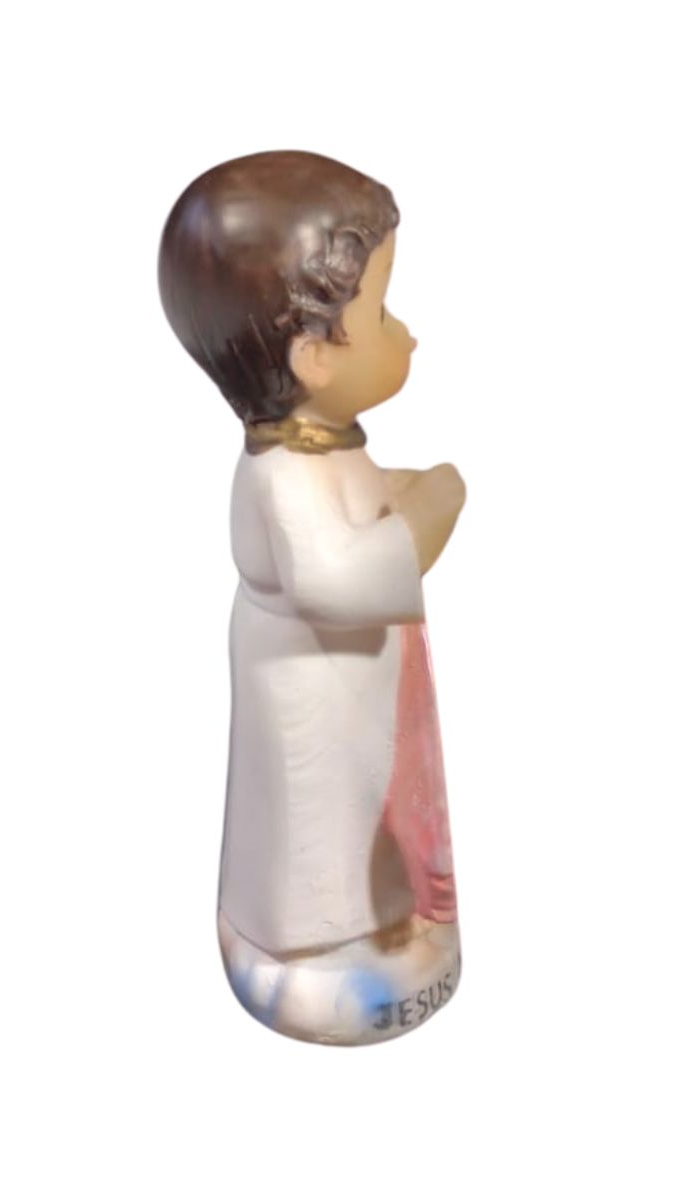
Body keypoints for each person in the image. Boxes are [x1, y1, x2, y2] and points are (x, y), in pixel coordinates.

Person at [159, 150, 466, 1044]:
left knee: (369, 803)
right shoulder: (285, 476)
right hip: (312, 689)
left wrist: (395, 496)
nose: (408, 335)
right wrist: (432, 512)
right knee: (319, 818)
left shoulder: (321, 451)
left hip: (355, 682)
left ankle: (384, 916)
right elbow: (335, 577)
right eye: (382, 314)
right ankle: (321, 947)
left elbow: (355, 514)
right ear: (315, 357)